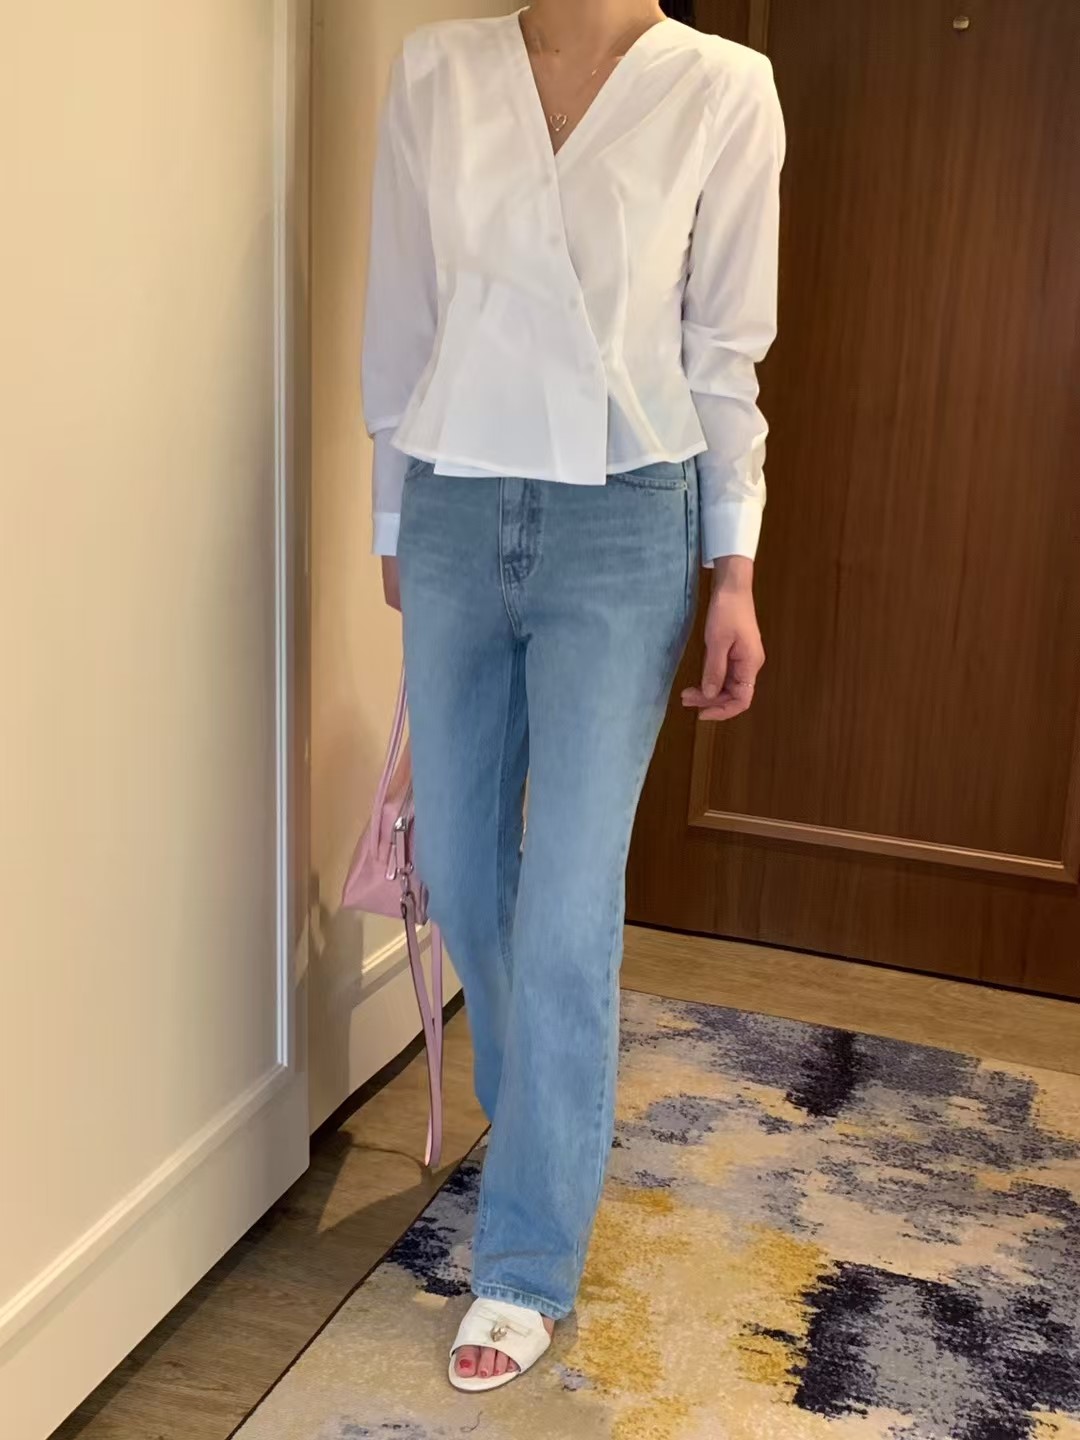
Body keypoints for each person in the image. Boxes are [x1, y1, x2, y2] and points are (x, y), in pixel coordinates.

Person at [361, 0, 784, 1392]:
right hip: (453, 503)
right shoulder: (439, 69)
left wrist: (734, 566)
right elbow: (403, 314)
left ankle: (526, 1258)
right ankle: (544, 1112)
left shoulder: (722, 86)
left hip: (624, 518)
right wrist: (391, 519)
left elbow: (724, 351)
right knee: (464, 875)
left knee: (567, 903)